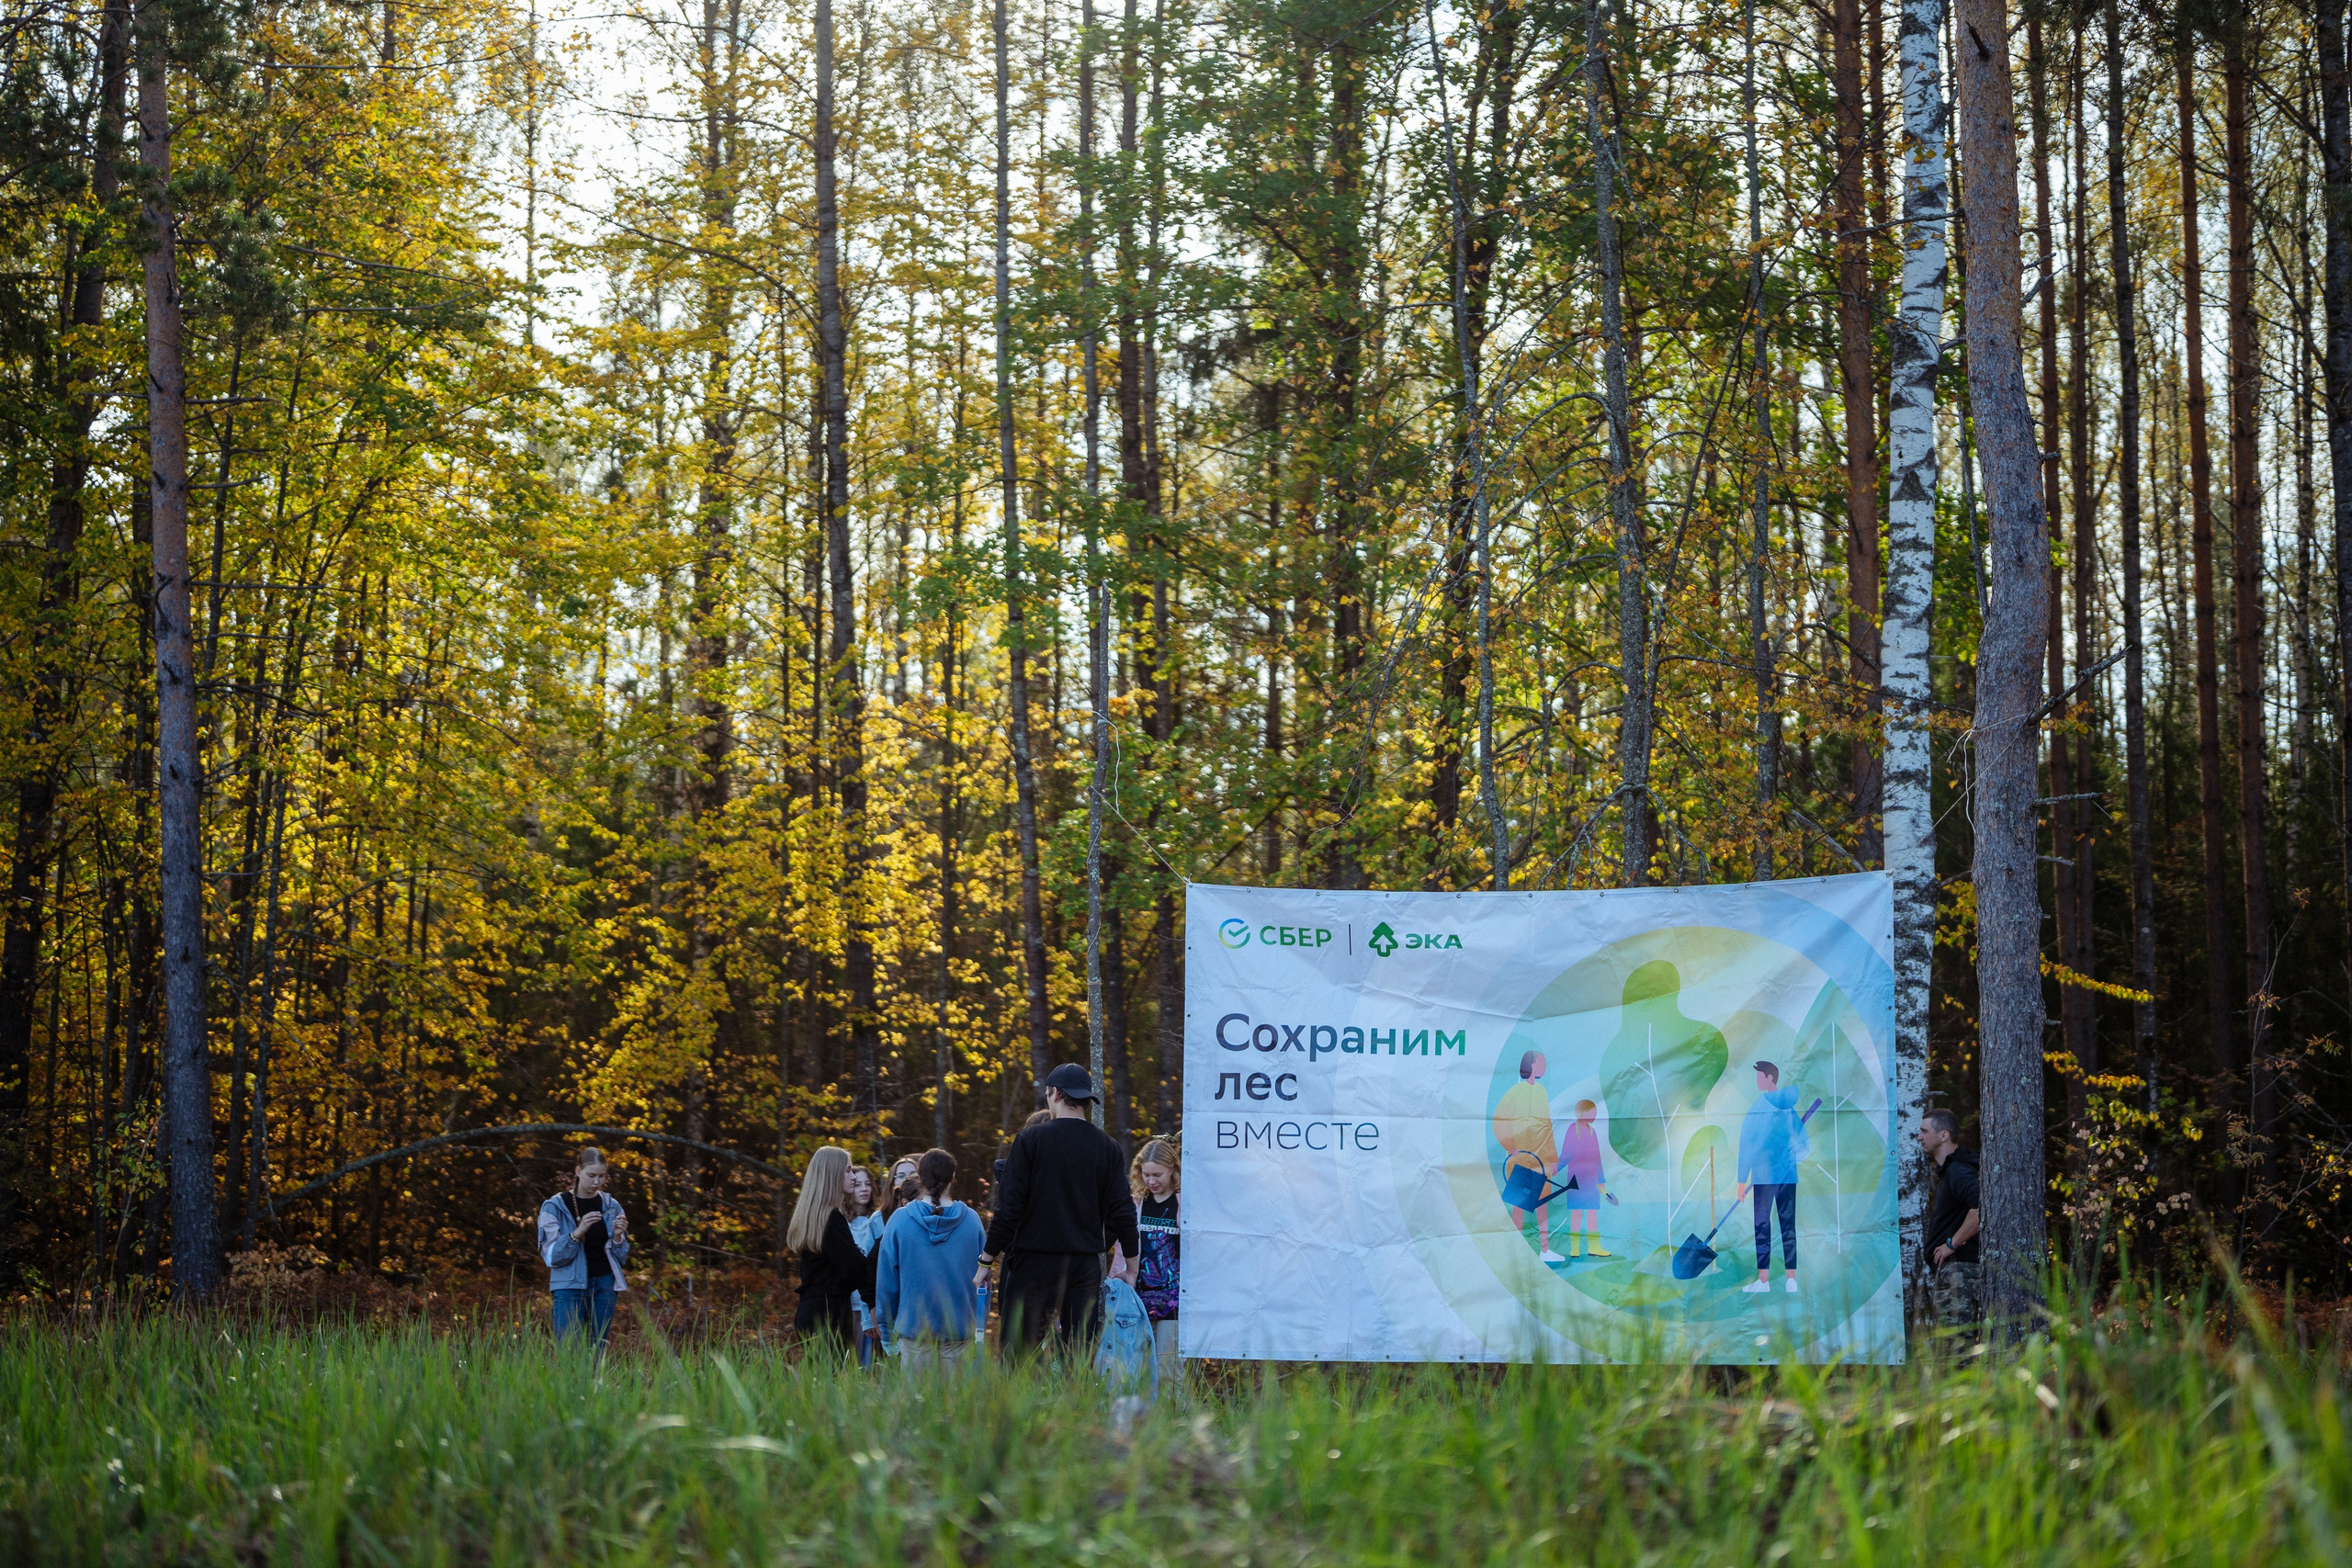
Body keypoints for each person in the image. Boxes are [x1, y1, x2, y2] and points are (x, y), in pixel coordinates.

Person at [976, 1064, 1139, 1355]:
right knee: (1078, 1359)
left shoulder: (1029, 1141)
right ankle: (1078, 1402)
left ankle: (1019, 1402)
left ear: (1054, 1093)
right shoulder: (1108, 1147)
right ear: (1087, 1101)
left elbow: (1009, 1209)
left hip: (1032, 1264)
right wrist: (1131, 1267)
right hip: (1084, 1266)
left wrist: (986, 1261)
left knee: (1019, 1359)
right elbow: (1124, 1213)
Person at [875, 1148, 987, 1371]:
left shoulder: (899, 1220)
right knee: (956, 1405)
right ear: (953, 1177)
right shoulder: (972, 1221)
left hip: (914, 1333)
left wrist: (887, 1333)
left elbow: (887, 1283)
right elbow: (984, 1280)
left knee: (918, 1404)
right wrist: (979, 1329)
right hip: (959, 1332)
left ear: (920, 1177)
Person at [786, 1145, 877, 1353]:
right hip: (829, 1312)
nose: (853, 1177)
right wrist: (880, 1247)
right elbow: (853, 1270)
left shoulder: (814, 1216)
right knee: (834, 1379)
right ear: (832, 1174)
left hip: (812, 1309)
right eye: (848, 1170)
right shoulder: (832, 1218)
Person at [538, 1144, 631, 1348]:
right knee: (569, 1350)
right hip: (569, 1286)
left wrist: (617, 1237)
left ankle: (597, 1381)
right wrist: (577, 1233)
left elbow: (622, 1257)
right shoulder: (554, 1206)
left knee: (596, 1349)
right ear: (578, 1171)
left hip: (604, 1285)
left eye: (602, 1176)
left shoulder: (611, 1206)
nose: (597, 1182)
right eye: (592, 1175)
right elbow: (552, 1257)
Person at [1735, 1060, 1810, 1294]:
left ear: (1771, 1079)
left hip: (1766, 1177)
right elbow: (1804, 1144)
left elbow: (1748, 1145)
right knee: (1782, 1226)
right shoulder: (1788, 1107)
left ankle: (1772, 1281)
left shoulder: (1759, 1108)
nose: (1757, 1081)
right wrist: (1790, 1159)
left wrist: (1742, 1179)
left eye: (1760, 1077)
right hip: (1781, 1175)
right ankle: (1785, 1280)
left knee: (1766, 1226)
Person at [1492, 1050, 1564, 1262]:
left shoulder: (1542, 1092)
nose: (1544, 1066)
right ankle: (1517, 1253)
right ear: (1531, 1066)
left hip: (1541, 1159)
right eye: (1541, 1062)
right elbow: (1498, 1121)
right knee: (1519, 1208)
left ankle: (1545, 1251)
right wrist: (1511, 1146)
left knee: (1542, 1205)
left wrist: (1553, 1157)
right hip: (1520, 1159)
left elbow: (1547, 1125)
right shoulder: (1515, 1092)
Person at [1917, 1110, 1981, 1327]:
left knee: (1955, 1348)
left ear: (1944, 1135)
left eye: (1924, 1131)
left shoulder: (1958, 1171)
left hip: (1959, 1272)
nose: (1919, 1137)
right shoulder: (1951, 1171)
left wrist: (1952, 1243)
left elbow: (1981, 1208)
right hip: (1955, 1272)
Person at [1129, 1138, 1182, 1388]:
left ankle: (1176, 1420)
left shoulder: (1184, 1202)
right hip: (1141, 1297)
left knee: (1168, 1366)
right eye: (1146, 1174)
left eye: (1158, 1174)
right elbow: (1125, 1248)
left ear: (1172, 1169)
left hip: (1175, 1299)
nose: (1152, 1181)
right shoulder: (1140, 1203)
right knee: (1140, 1364)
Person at [1555, 1100, 1615, 1258]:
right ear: (1582, 1112)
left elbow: (1597, 1158)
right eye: (1592, 1111)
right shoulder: (1572, 1130)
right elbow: (1566, 1154)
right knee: (1576, 1213)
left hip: (1592, 1180)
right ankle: (1574, 1248)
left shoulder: (1592, 1131)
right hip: (1576, 1179)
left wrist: (1601, 1179)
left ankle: (1594, 1247)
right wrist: (1555, 1168)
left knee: (1592, 1214)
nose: (1595, 1114)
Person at [845, 1165, 884, 1366]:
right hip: (847, 1303)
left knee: (871, 1364)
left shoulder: (876, 1221)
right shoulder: (841, 1222)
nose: (864, 1189)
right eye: (858, 1184)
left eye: (868, 1184)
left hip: (869, 1305)